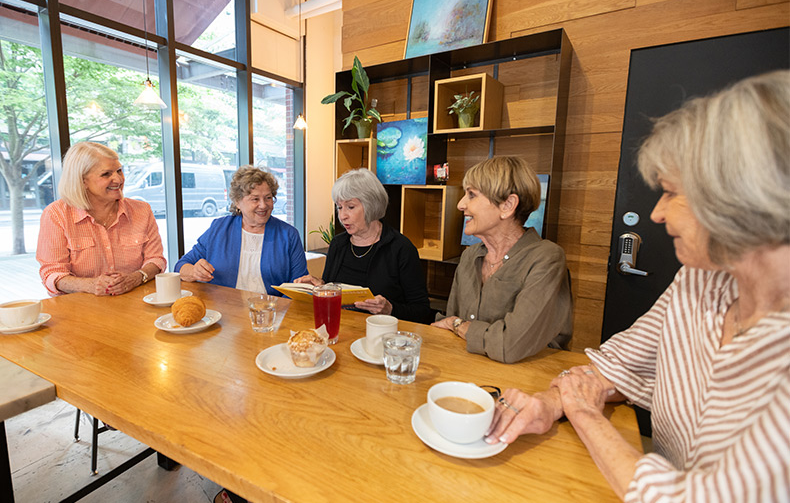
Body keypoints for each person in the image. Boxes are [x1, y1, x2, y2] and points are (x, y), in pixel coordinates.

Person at [486, 71, 790, 501]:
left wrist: (586, 416)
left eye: (669, 193)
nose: (657, 215)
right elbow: (615, 365)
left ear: (742, 195)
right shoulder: (699, 280)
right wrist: (548, 405)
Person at [432, 156, 572, 363]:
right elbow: (450, 325)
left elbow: (510, 345)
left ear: (507, 205)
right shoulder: (470, 255)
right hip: (467, 371)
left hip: (525, 380)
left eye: (472, 195)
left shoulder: (547, 258)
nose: (460, 204)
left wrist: (459, 326)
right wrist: (458, 326)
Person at [296, 168, 433, 324]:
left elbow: (421, 310)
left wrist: (390, 309)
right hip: (341, 331)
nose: (342, 216)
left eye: (350, 207)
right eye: (339, 207)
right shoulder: (338, 244)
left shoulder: (401, 249)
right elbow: (333, 292)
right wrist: (322, 287)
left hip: (382, 336)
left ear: (371, 205)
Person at [37, 142, 166, 296]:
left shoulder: (142, 210)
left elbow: (156, 260)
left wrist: (136, 278)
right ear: (83, 181)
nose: (118, 179)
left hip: (134, 305)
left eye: (119, 171)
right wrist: (90, 285)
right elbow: (52, 273)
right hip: (79, 309)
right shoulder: (56, 215)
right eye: (106, 174)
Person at [175, 165, 307, 295]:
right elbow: (181, 265)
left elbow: (299, 285)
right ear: (238, 202)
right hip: (224, 308)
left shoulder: (288, 234)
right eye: (255, 199)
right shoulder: (219, 228)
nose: (263, 205)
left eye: (268, 198)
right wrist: (194, 271)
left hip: (271, 311)